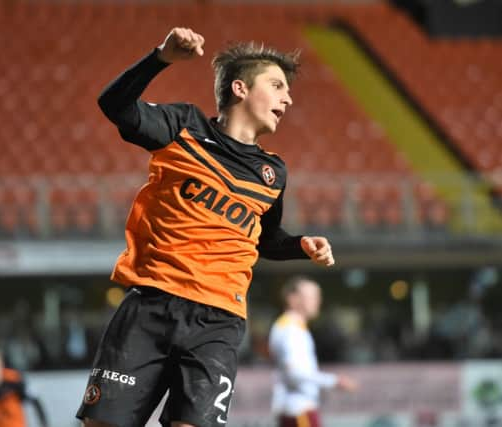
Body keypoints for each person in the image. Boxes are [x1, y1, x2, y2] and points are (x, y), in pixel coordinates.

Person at [78, 27, 336, 427]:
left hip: (219, 322)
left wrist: (302, 244)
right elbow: (114, 104)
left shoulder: (273, 173)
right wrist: (160, 58)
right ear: (240, 89)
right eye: (277, 85)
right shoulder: (183, 127)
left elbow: (266, 239)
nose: (288, 97)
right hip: (152, 304)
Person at [269, 277, 357, 427]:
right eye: (311, 297)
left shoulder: (293, 327)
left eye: (317, 296)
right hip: (299, 410)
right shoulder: (291, 330)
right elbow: (295, 373)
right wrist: (335, 381)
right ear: (293, 299)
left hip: (296, 409)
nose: (317, 301)